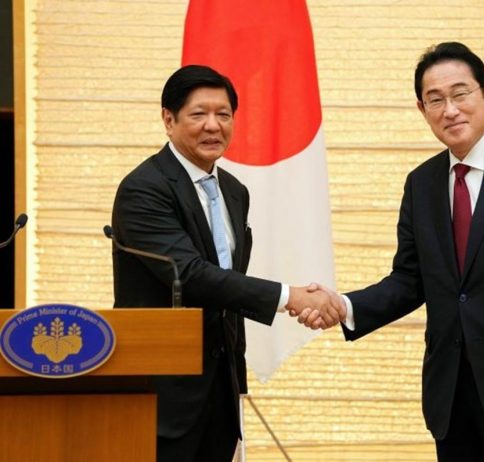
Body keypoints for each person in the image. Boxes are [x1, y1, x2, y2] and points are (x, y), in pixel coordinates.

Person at [298, 42, 484, 461]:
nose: (450, 109)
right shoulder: (421, 184)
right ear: (422, 110)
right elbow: (409, 280)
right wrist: (343, 305)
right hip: (451, 394)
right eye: (435, 100)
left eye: (460, 94)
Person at [110, 64, 342, 462]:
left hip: (219, 392)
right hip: (162, 396)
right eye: (199, 114)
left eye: (223, 114)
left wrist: (236, 382)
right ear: (169, 119)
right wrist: (291, 297)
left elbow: (228, 283)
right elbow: (193, 275)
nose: (213, 125)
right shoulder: (144, 189)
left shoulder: (234, 191)